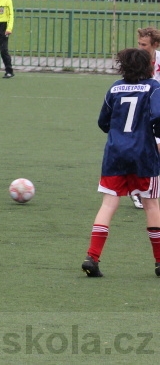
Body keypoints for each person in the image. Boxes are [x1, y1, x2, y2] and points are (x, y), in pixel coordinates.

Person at [81, 48, 160, 278]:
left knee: (108, 204)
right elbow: (158, 116)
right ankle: (159, 261)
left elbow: (103, 122)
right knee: (152, 205)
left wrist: (119, 133)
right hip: (144, 155)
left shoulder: (114, 88)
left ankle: (92, 258)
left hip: (115, 154)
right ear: (148, 66)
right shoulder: (154, 88)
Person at [129, 27, 160, 209]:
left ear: (155, 45)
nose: (140, 48)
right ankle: (138, 191)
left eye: (144, 45)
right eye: (139, 44)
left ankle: (142, 189)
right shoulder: (136, 62)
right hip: (142, 112)